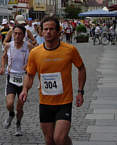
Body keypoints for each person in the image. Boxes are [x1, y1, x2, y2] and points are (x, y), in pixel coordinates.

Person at [19, 16, 86, 145]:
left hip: (64, 101)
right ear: (41, 32)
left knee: (59, 139)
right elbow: (30, 75)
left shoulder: (69, 50)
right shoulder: (35, 53)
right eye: (45, 29)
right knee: (49, 140)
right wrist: (25, 89)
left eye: (51, 29)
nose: (48, 32)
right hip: (45, 102)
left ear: (58, 31)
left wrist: (80, 92)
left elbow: (81, 68)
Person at [0, 24, 33, 136]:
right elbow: (4, 56)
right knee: (9, 104)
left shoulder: (28, 46)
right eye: (15, 33)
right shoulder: (9, 46)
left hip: (24, 78)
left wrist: (28, 65)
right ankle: (10, 114)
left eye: (20, 34)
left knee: (20, 106)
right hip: (11, 77)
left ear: (24, 35)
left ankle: (18, 124)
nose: (17, 36)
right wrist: (2, 67)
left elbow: (34, 60)